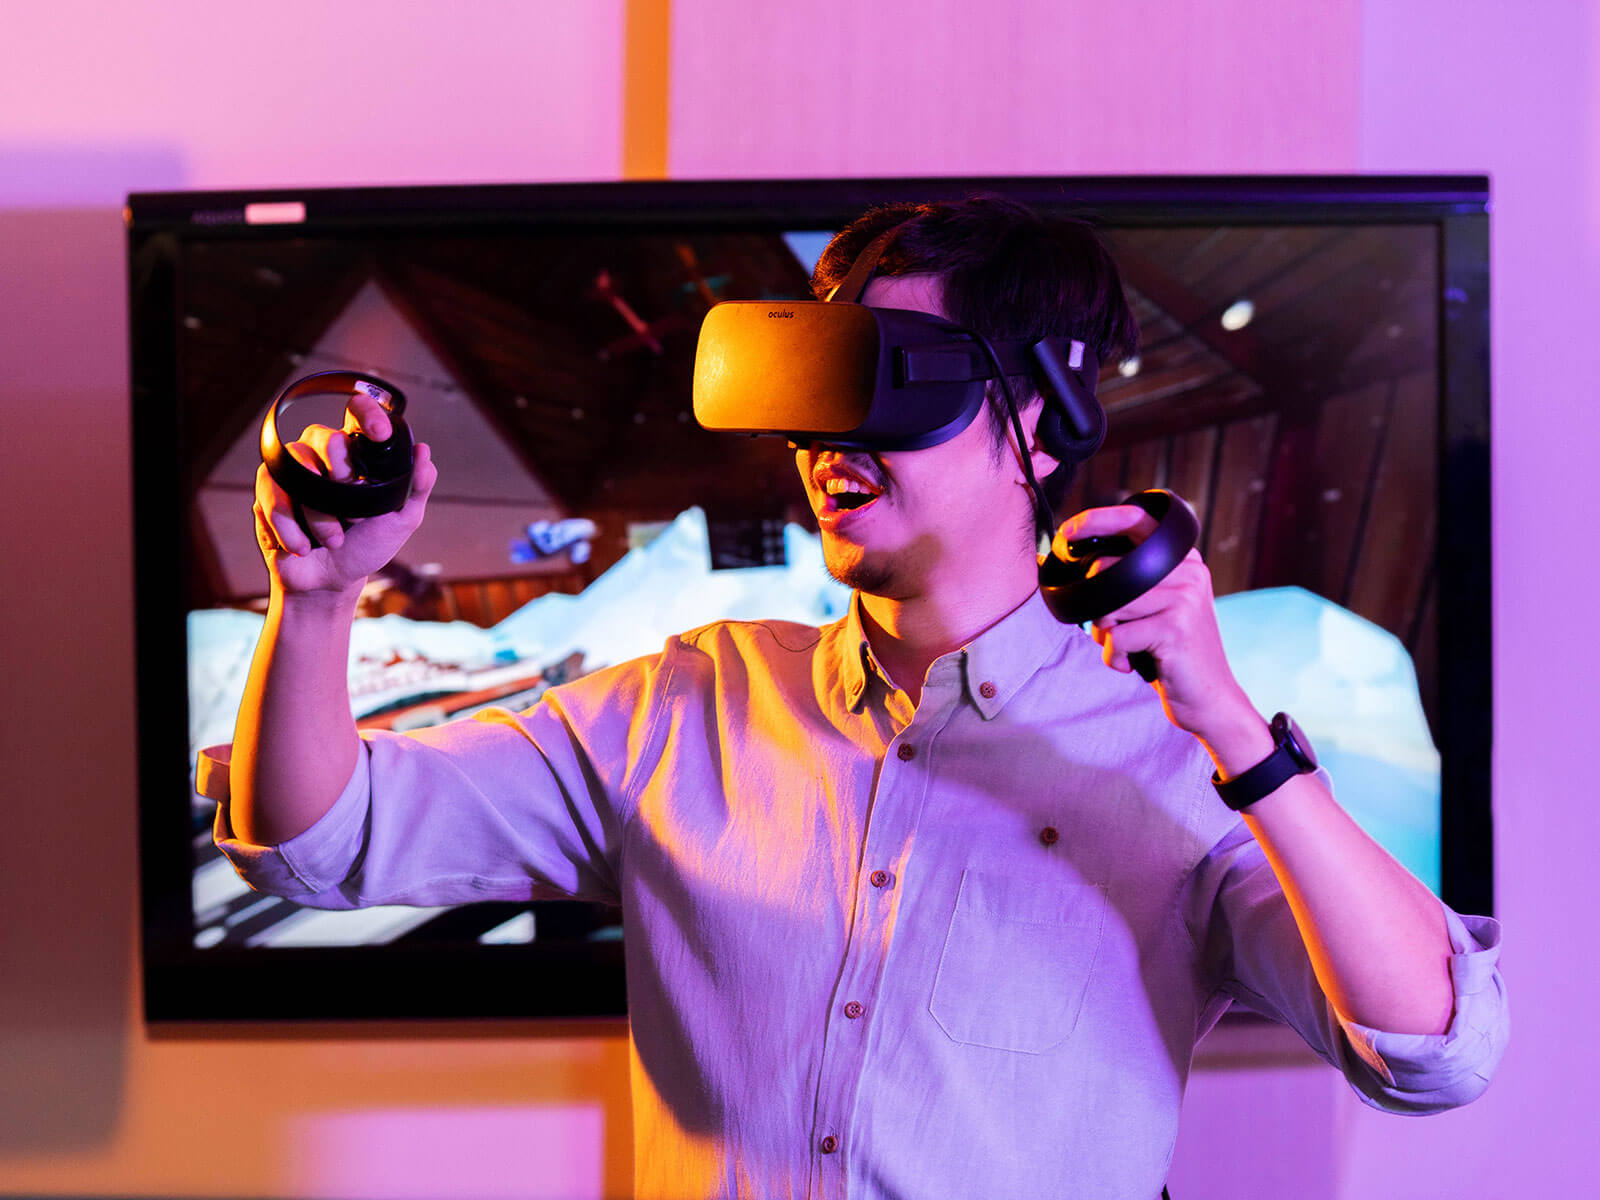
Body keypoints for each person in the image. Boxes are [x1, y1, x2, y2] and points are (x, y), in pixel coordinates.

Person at [212, 196, 1506, 1199]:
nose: (833, 436)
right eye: (822, 376)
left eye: (897, 379)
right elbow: (322, 843)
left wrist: (1232, 730)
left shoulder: (1172, 760)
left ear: (1043, 424)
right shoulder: (683, 707)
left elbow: (1435, 1050)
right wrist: (317, 602)